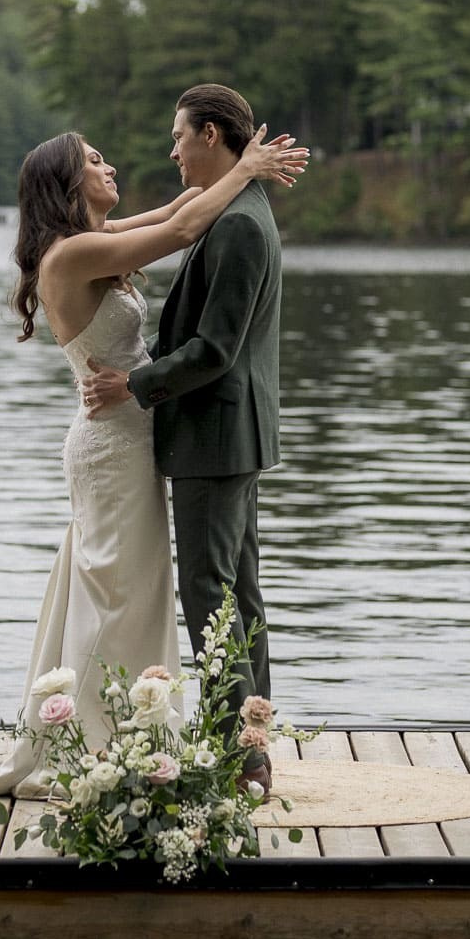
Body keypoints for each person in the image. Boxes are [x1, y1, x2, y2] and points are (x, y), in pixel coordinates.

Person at [0, 122, 306, 798]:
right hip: (111, 448)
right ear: (67, 184)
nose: (110, 166)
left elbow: (179, 210)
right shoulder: (71, 255)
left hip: (129, 440)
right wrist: (246, 169)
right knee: (117, 598)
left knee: (125, 594)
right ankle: (96, 742)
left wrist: (241, 166)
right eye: (95, 161)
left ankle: (119, 732)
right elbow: (182, 231)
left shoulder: (96, 240)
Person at [78, 84, 284, 796]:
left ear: (211, 135)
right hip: (230, 435)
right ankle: (253, 743)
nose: (172, 151)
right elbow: (171, 223)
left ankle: (238, 756)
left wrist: (133, 385)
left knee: (211, 595)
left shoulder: (240, 226)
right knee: (239, 596)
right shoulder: (236, 209)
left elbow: (214, 350)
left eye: (178, 137)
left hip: (213, 436)